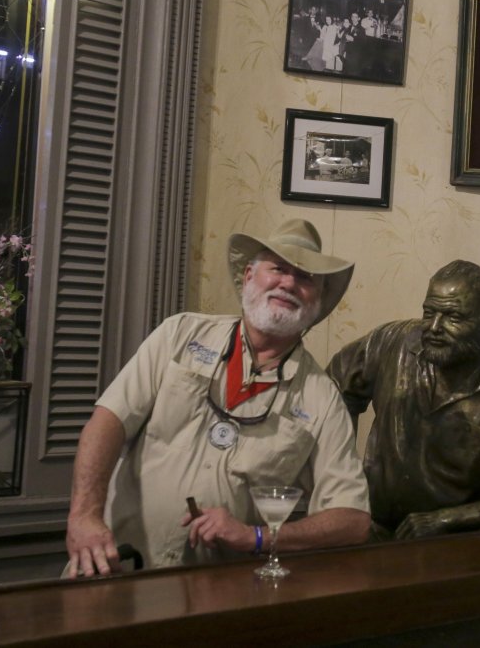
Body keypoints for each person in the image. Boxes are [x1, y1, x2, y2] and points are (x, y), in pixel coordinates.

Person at [65, 219, 371, 576]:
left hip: (219, 591)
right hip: (114, 564)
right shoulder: (179, 334)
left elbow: (353, 520)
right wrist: (84, 515)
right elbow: (108, 421)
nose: (289, 283)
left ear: (317, 300)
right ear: (248, 277)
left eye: (306, 279)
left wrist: (256, 537)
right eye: (278, 269)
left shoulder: (323, 398)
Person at [327, 260, 480, 540]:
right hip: (371, 531)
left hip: (455, 545)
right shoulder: (392, 342)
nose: (434, 327)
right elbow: (334, 387)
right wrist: (342, 472)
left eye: (453, 317)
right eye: (429, 312)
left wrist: (445, 520)